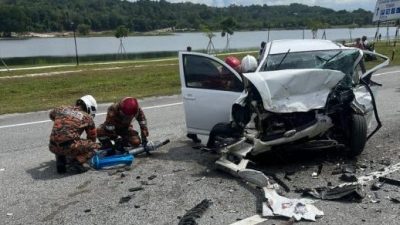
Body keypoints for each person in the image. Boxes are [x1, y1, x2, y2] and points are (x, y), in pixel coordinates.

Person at [206, 55, 257, 148]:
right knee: (216, 129)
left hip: (240, 127)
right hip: (243, 125)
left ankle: (210, 148)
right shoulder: (252, 82)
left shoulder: (243, 86)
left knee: (215, 130)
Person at [49, 95, 100, 173]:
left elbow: (51, 115)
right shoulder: (87, 117)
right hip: (68, 147)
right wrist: (84, 150)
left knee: (63, 140)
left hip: (52, 146)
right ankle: (76, 163)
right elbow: (92, 137)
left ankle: (61, 159)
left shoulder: (61, 109)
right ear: (89, 107)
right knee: (95, 147)